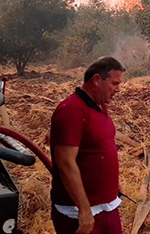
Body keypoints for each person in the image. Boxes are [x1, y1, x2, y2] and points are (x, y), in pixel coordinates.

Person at [50, 57, 126, 234]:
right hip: (79, 213)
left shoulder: (99, 106)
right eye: (114, 83)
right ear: (97, 80)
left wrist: (112, 184)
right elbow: (66, 164)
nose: (118, 89)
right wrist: (84, 210)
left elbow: (99, 147)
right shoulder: (71, 110)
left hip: (106, 205)